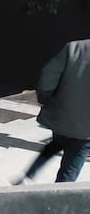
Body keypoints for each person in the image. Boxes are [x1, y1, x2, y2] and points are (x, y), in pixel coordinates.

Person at [13, 39, 90, 184]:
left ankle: (28, 177)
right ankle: (59, 192)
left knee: (56, 143)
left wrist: (47, 100)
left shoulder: (74, 47)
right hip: (86, 129)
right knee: (72, 164)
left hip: (62, 114)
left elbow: (48, 77)